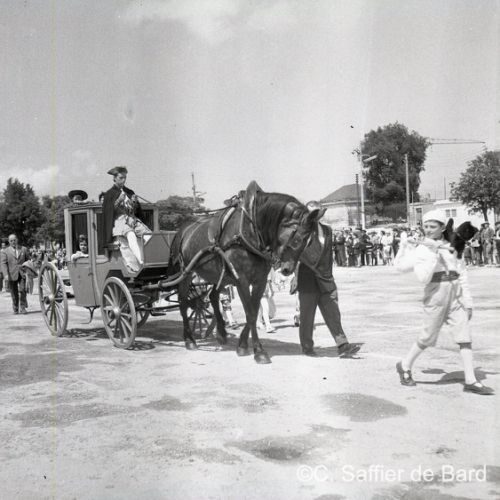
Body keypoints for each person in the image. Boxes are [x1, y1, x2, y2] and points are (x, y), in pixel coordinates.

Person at [395, 209, 494, 395]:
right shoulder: (422, 249)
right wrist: (432, 252)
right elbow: (423, 278)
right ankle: (405, 365)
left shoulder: (452, 245)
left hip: (456, 293)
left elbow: (461, 273)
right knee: (427, 337)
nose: (428, 230)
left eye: (433, 226)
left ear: (442, 228)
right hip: (435, 293)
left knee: (464, 337)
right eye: (426, 226)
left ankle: (471, 380)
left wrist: (468, 301)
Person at [297, 201, 360, 358]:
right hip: (307, 281)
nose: (314, 216)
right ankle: (307, 346)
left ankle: (343, 345)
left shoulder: (327, 230)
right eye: (310, 213)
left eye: (316, 213)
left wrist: (329, 276)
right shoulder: (300, 232)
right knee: (307, 317)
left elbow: (328, 257)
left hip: (326, 280)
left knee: (333, 313)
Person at [102, 166, 151, 271]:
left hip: (132, 220)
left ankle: (150, 258)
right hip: (119, 222)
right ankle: (141, 261)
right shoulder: (109, 194)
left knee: (149, 236)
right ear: (114, 178)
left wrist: (134, 202)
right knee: (131, 235)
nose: (123, 180)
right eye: (121, 177)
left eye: (125, 178)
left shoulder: (129, 191)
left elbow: (135, 210)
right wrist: (118, 200)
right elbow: (109, 211)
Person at [0, 234, 29, 314]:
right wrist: (5, 274)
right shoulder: (5, 251)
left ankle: (23, 308)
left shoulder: (23, 249)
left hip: (22, 273)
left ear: (17, 240)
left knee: (23, 290)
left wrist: (28, 271)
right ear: (9, 242)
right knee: (14, 292)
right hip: (11, 274)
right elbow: (3, 264)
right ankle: (15, 308)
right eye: (11, 241)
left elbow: (28, 261)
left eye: (14, 240)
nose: (13, 242)